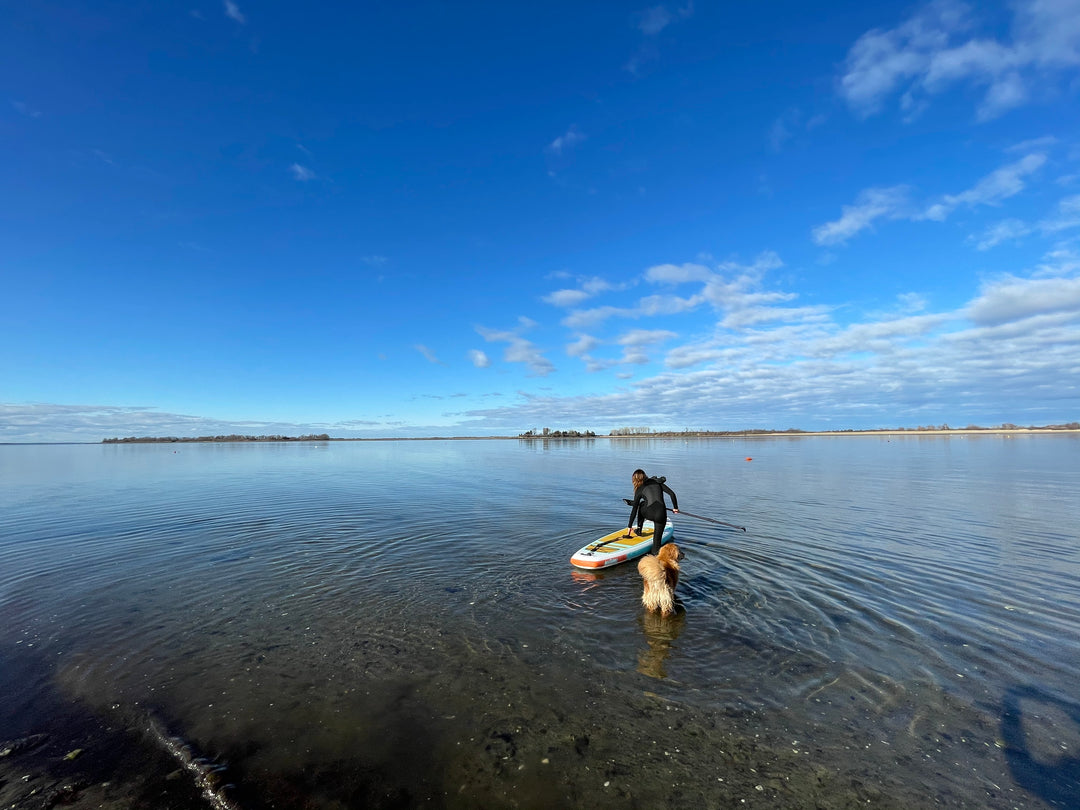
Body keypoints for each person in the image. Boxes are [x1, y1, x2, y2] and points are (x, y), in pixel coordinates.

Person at [627, 469, 679, 555]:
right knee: (656, 546)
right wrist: (675, 508)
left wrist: (629, 526)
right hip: (661, 515)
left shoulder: (639, 489)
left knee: (641, 504)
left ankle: (639, 530)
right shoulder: (657, 482)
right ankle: (656, 557)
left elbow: (634, 509)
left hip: (649, 513)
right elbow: (672, 494)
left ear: (635, 480)